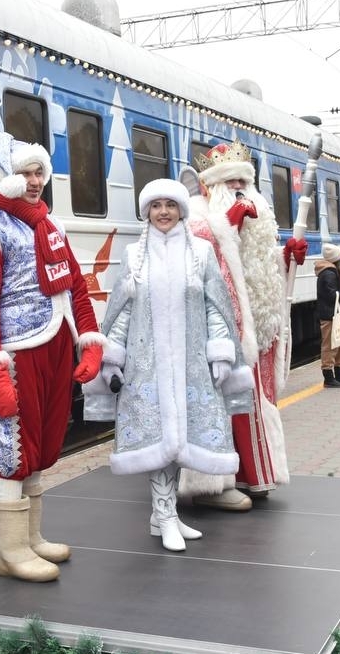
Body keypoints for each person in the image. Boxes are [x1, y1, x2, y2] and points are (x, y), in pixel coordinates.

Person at [0, 131, 105, 582]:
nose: (34, 180)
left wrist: (90, 339)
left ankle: (29, 539)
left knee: (39, 446)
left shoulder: (50, 225)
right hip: (16, 355)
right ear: (4, 177)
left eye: (39, 170)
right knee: (11, 448)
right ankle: (10, 552)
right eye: (24, 172)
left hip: (54, 347)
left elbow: (76, 287)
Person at [84, 179, 253, 551]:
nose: (163, 212)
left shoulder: (202, 253)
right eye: (156, 205)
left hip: (191, 367)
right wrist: (113, 359)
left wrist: (221, 352)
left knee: (180, 441)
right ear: (147, 211)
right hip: (148, 368)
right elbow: (121, 312)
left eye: (170, 205)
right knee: (161, 439)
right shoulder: (133, 256)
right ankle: (164, 515)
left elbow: (216, 306)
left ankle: (165, 516)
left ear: (181, 210)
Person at [176, 141, 310, 511]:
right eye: (229, 181)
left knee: (255, 402)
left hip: (258, 331)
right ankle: (216, 484)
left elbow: (260, 272)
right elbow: (197, 259)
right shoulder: (200, 215)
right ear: (210, 186)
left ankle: (254, 475)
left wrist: (286, 258)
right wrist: (229, 224)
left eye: (243, 181)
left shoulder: (260, 217)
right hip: (220, 331)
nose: (238, 188)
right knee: (224, 404)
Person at [315, 244, 340, 388]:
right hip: (330, 315)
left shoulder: (328, 272)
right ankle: (329, 378)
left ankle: (339, 374)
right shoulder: (329, 273)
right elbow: (333, 296)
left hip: (335, 313)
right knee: (331, 346)